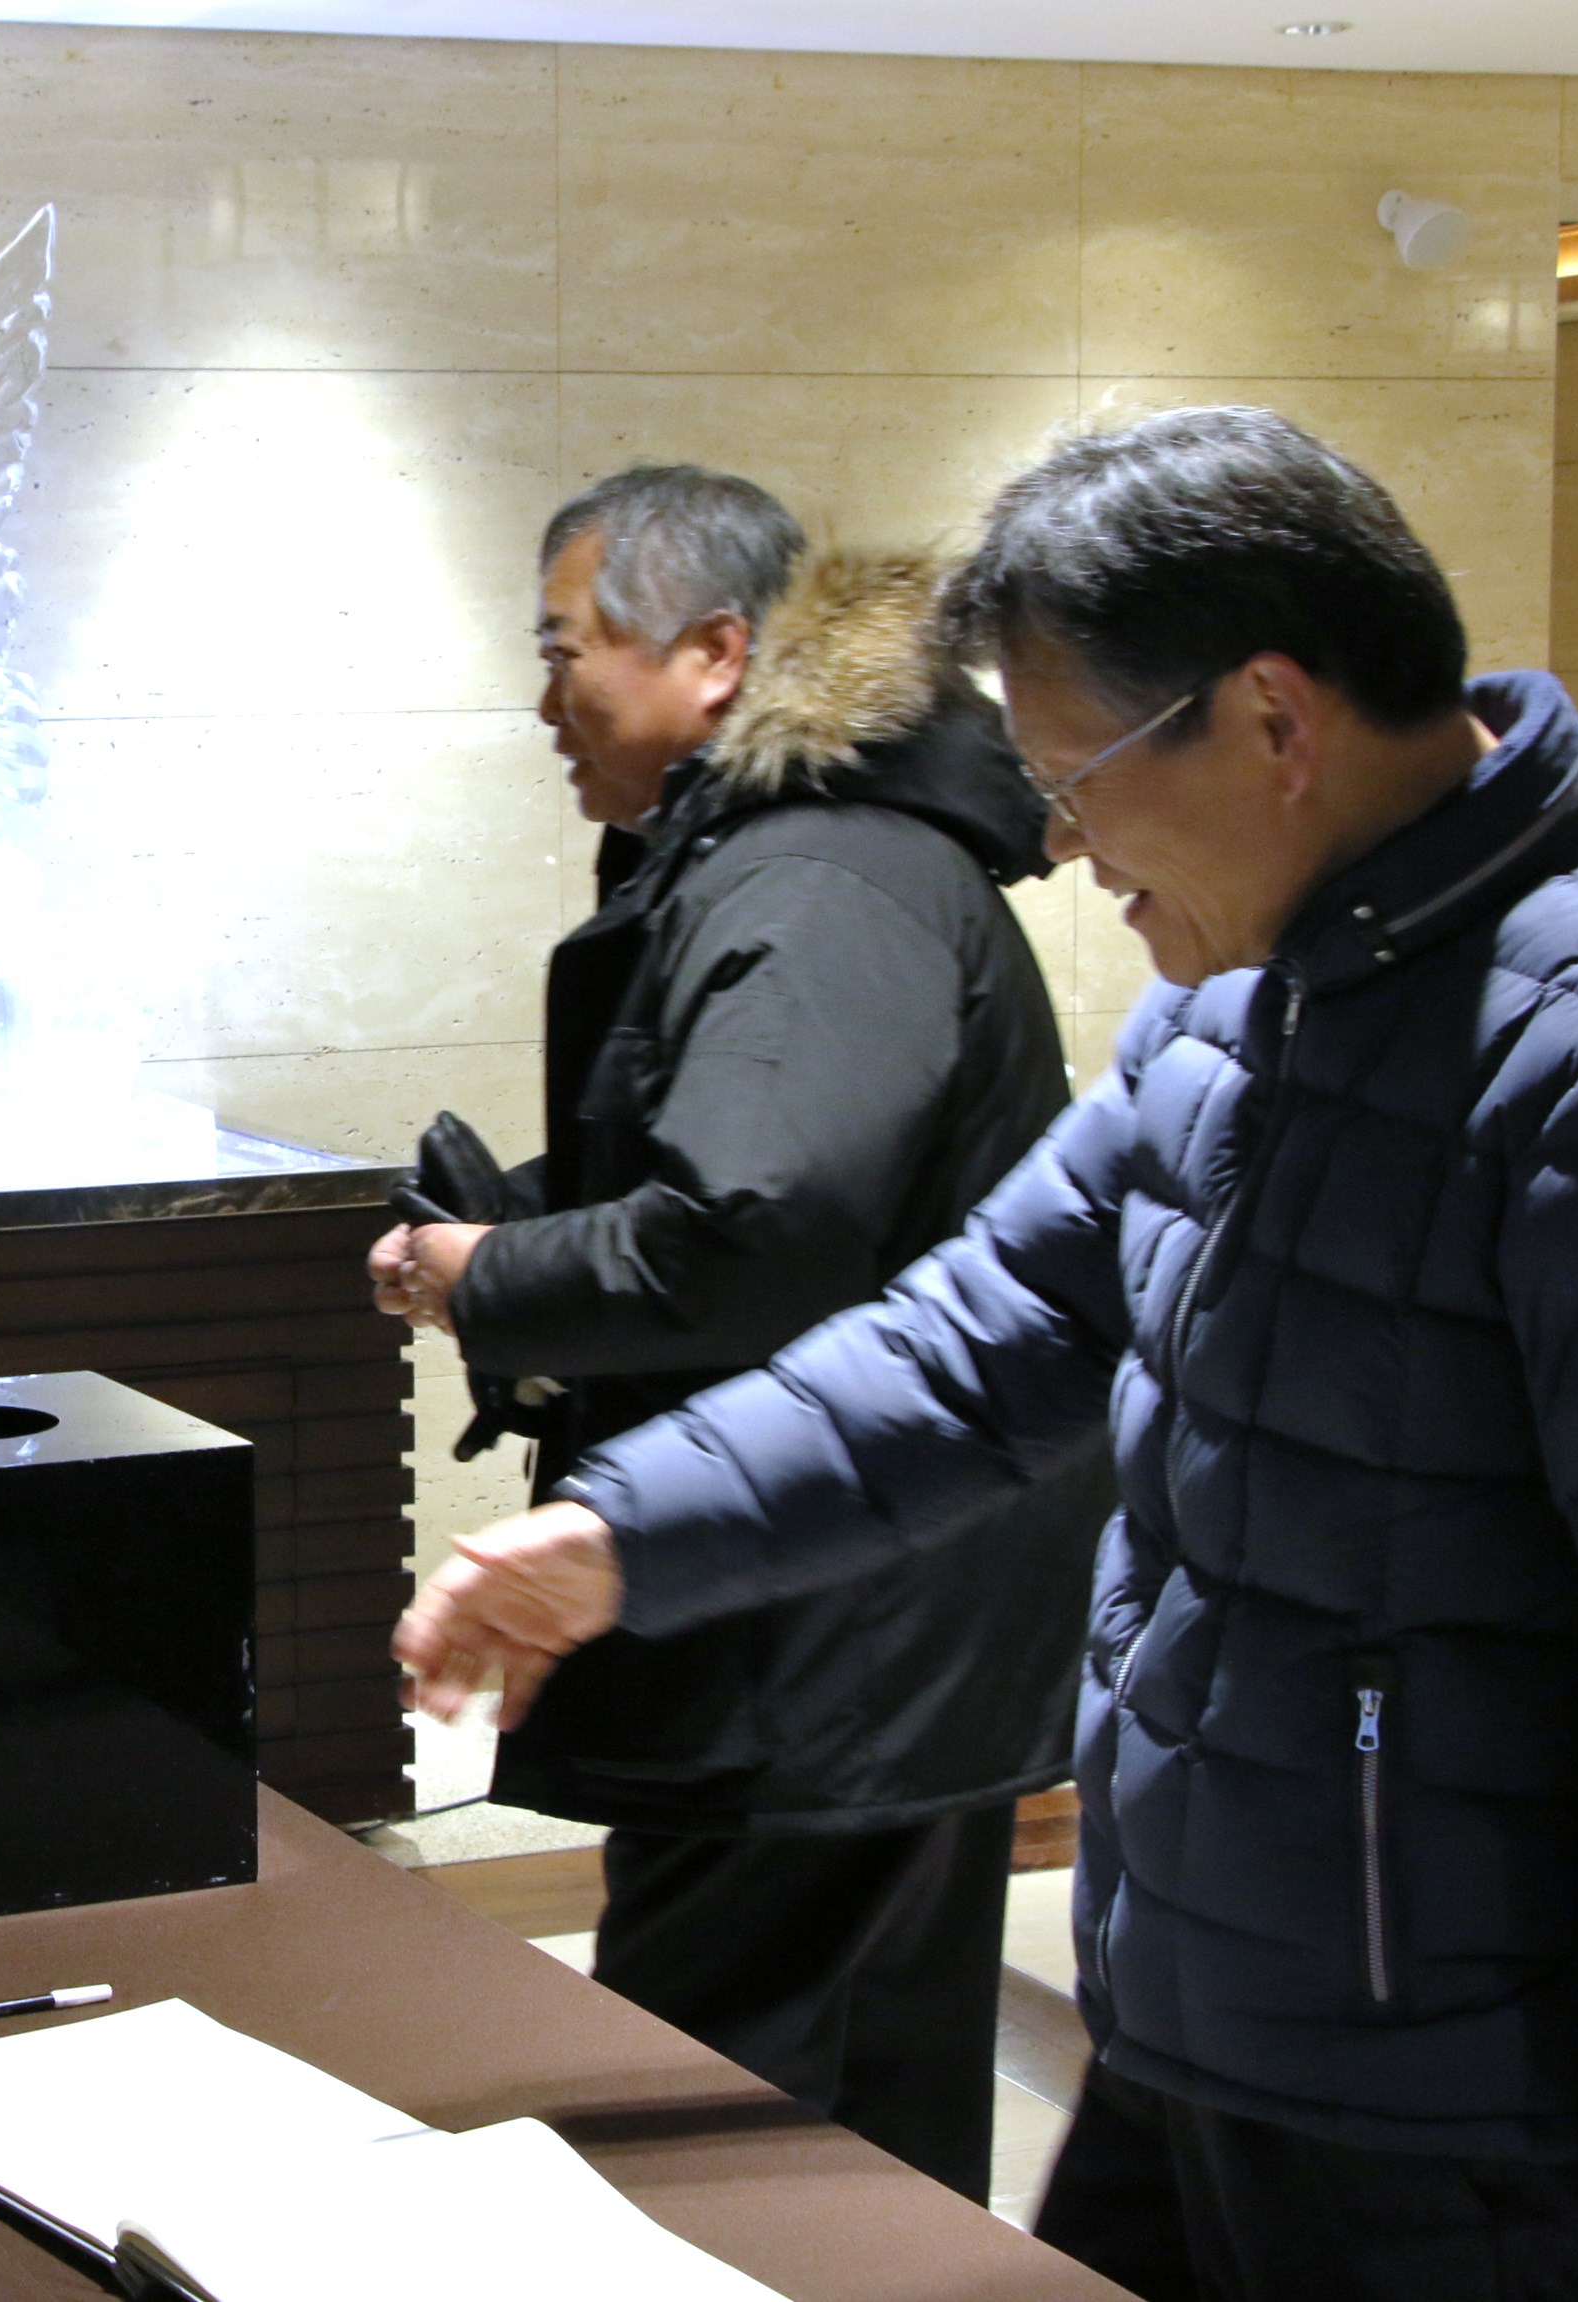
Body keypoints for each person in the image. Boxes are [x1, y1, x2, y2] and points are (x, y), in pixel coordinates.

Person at [394, 408, 1578, 2302]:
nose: (1061, 845)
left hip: (1470, 2122)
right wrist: (624, 1531)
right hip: (1188, 2020)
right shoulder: (1236, 1003)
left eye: (1073, 777)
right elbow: (980, 1338)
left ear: (1270, 718)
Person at [364, 465, 1109, 2200]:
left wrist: (492, 1275)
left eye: (565, 650)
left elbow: (752, 1235)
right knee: (866, 2102)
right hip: (863, 1600)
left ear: (711, 652)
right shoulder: (802, 858)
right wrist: (517, 1229)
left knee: (724, 2118)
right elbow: (766, 1174)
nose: (545, 701)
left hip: (828, 1631)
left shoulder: (817, 876)